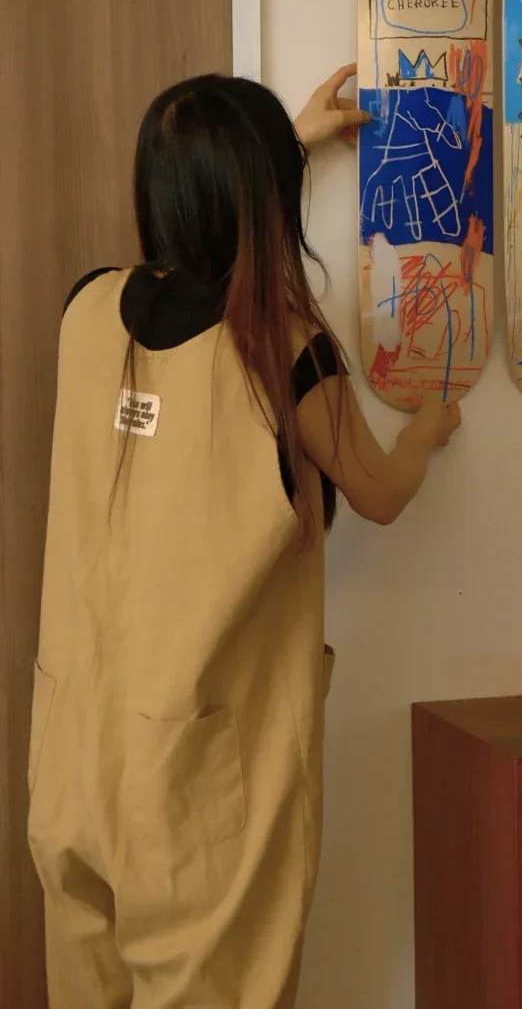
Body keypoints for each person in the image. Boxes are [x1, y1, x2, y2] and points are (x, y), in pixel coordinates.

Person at [26, 65, 461, 1008]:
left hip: (71, 758)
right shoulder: (284, 350)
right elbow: (380, 492)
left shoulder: (87, 312)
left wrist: (280, 145)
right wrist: (427, 429)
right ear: (266, 201)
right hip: (194, 791)